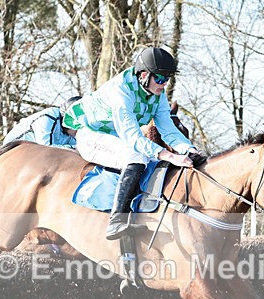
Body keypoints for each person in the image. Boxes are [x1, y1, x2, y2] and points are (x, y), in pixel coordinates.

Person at [63, 47, 205, 240]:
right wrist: (169, 154)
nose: (164, 84)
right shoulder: (122, 90)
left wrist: (190, 150)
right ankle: (117, 221)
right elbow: (132, 137)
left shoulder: (157, 95)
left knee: (153, 160)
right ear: (144, 75)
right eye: (160, 79)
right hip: (92, 136)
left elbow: (168, 129)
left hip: (116, 137)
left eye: (167, 79)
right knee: (136, 157)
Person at [3, 96, 82, 149]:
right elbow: (46, 147)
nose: (80, 130)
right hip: (13, 147)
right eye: (79, 126)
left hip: (34, 151)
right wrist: (75, 148)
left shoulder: (69, 133)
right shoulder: (48, 118)